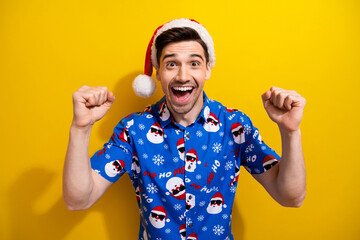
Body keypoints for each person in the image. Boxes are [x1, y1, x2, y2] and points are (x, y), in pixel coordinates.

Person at [63, 18, 306, 240]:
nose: (182, 75)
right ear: (157, 72)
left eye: (194, 63)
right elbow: (77, 199)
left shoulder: (235, 126)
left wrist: (290, 132)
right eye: (171, 64)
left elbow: (291, 197)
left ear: (207, 69)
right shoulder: (133, 130)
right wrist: (81, 127)